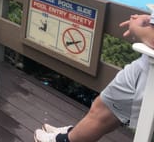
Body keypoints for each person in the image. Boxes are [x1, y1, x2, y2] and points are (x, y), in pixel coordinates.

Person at [34, 13, 154, 142]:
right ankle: (76, 134)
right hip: (146, 70)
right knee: (111, 112)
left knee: (102, 110)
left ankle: (67, 139)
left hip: (148, 73)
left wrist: (136, 27)